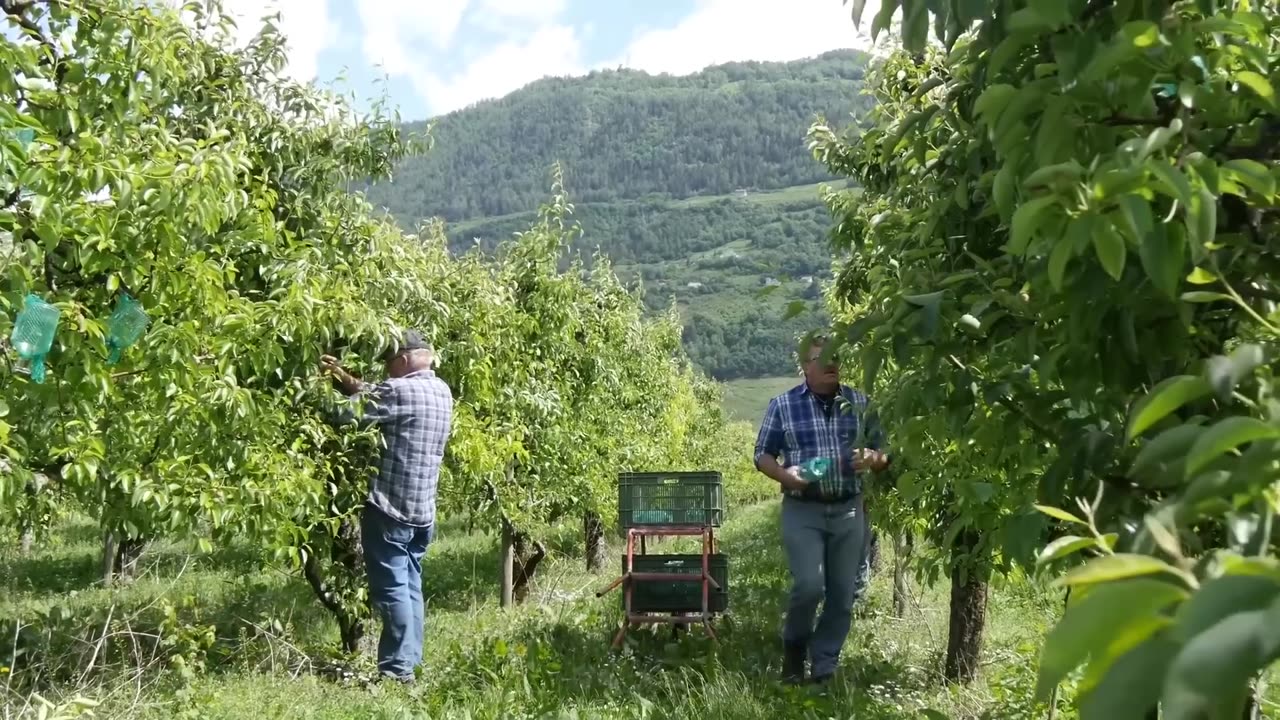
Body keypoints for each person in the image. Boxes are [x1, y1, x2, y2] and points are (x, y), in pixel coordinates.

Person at [753, 334, 890, 685]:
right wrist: (786, 475)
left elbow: (884, 450)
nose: (831, 364)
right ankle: (795, 647)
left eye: (835, 358)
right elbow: (762, 455)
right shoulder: (783, 405)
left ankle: (824, 665)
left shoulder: (860, 403)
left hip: (848, 509)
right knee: (809, 585)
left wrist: (874, 458)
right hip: (804, 510)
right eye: (820, 358)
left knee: (843, 593)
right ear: (804, 366)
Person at [320, 329, 453, 683]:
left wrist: (314, 384)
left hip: (390, 509)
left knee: (392, 589)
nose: (387, 371)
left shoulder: (399, 390)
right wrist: (343, 376)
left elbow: (342, 414)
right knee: (411, 587)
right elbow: (374, 394)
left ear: (404, 359)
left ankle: (396, 672)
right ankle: (411, 663)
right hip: (422, 510)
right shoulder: (440, 390)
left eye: (389, 364)